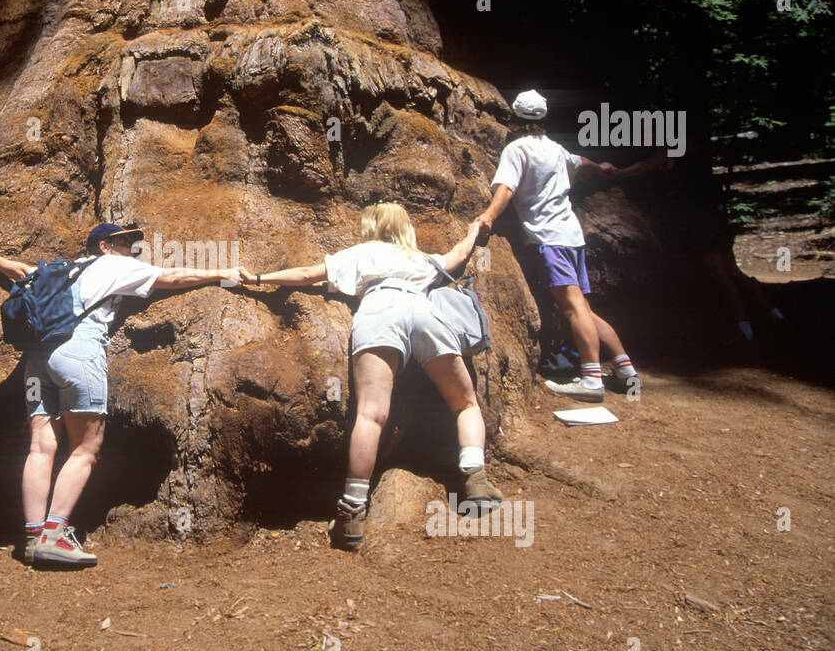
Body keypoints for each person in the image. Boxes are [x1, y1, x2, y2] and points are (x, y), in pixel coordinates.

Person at [0, 224, 243, 568]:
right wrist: (223, 273)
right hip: (77, 352)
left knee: (40, 446)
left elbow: (20, 273)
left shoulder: (65, 269)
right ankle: (54, 536)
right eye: (126, 242)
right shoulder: (113, 265)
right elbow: (170, 277)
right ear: (105, 246)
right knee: (85, 448)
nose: (133, 249)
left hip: (37, 360)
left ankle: (31, 536)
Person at [239, 202, 502, 551]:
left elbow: (307, 274)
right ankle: (476, 479)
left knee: (371, 415)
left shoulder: (363, 252)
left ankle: (351, 511)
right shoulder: (419, 258)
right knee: (465, 403)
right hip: (425, 312)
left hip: (380, 311)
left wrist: (258, 278)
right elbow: (456, 256)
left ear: (373, 227)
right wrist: (474, 231)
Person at [475, 89, 638, 401]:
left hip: (548, 238)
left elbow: (507, 187)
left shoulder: (517, 149)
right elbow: (581, 161)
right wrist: (601, 167)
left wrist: (489, 216)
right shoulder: (555, 149)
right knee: (582, 306)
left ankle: (591, 381)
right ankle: (625, 369)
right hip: (572, 236)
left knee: (572, 307)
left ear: (514, 118)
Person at [615, 148, 786, 345]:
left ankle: (745, 330)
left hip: (698, 226)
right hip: (713, 219)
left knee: (723, 279)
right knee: (735, 273)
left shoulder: (665, 152)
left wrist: (617, 173)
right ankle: (776, 316)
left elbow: (642, 167)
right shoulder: (689, 151)